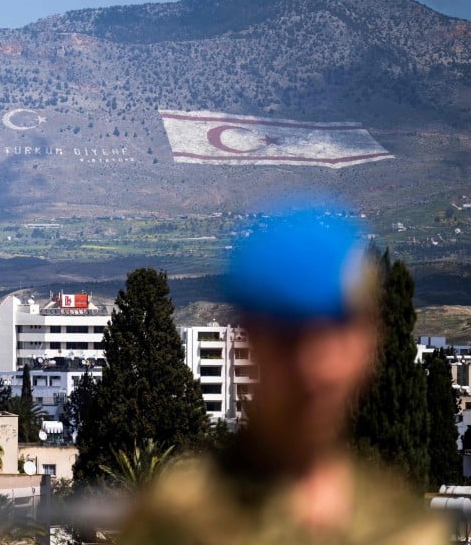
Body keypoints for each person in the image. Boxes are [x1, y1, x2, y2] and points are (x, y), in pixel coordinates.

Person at [115, 203, 449, 544]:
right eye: (289, 338)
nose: (312, 367)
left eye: (333, 332)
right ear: (246, 341)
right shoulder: (178, 523)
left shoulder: (403, 530)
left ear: (368, 342)